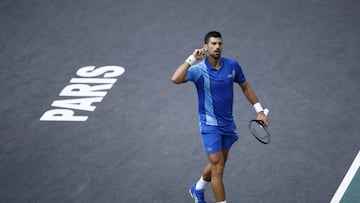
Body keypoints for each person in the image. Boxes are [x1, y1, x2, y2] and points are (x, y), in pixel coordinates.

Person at [171, 31, 269, 203]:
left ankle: (198, 188)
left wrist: (259, 110)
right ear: (206, 47)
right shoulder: (198, 70)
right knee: (218, 167)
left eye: (219, 43)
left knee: (219, 163)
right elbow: (175, 79)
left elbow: (245, 87)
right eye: (213, 44)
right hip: (209, 126)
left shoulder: (232, 65)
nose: (217, 47)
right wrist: (191, 58)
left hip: (227, 124)